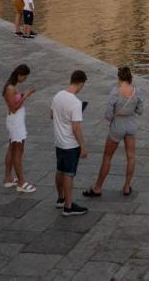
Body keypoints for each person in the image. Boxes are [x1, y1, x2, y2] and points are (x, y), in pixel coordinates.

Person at [83, 66, 144, 198]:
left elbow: (108, 114)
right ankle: (127, 187)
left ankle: (97, 187)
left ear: (119, 77)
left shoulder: (115, 92)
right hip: (131, 124)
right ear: (130, 77)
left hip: (118, 125)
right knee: (131, 157)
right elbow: (140, 111)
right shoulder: (137, 91)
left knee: (107, 157)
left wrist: (110, 121)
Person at [50, 70, 89, 216]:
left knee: (60, 169)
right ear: (80, 83)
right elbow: (76, 127)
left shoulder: (58, 95)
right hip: (70, 145)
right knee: (69, 174)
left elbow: (51, 115)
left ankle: (60, 198)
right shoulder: (76, 103)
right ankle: (68, 206)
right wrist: (83, 146)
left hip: (58, 142)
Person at [2, 64, 37, 193]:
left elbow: (15, 102)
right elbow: (14, 107)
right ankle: (21, 182)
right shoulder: (10, 88)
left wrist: (23, 94)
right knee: (18, 151)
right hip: (15, 123)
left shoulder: (11, 86)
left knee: (12, 148)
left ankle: (8, 178)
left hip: (16, 121)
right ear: (19, 75)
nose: (25, 80)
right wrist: (25, 95)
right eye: (25, 77)